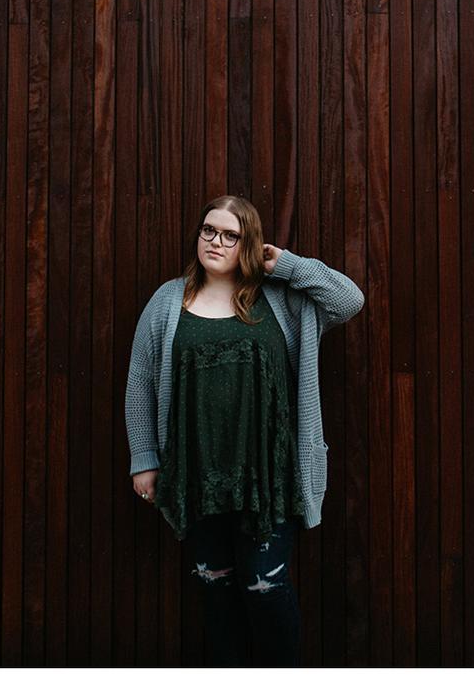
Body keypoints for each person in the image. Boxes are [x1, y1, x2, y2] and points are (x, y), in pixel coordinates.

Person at [124, 194, 365, 666]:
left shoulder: (280, 299)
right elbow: (140, 381)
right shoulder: (168, 300)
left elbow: (348, 300)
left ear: (249, 243)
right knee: (214, 588)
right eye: (208, 230)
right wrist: (145, 459)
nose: (215, 242)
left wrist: (287, 265)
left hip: (268, 477)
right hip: (196, 474)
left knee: (264, 587)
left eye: (230, 235)